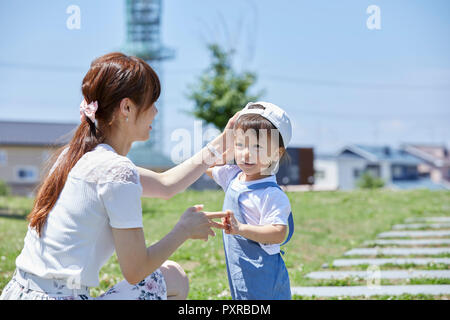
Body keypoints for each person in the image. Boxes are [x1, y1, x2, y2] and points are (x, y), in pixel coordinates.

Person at [0, 52, 238, 300]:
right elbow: (135, 271)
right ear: (126, 107)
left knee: (170, 275)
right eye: (151, 102)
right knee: (172, 277)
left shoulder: (76, 156)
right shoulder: (116, 171)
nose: (156, 111)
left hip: (17, 292)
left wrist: (222, 142)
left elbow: (167, 185)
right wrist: (183, 230)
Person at [206, 101, 295, 300]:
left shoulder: (270, 194)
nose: (246, 153)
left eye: (257, 146)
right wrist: (228, 139)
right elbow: (206, 164)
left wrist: (241, 229)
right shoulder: (233, 176)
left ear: (276, 153)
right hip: (240, 272)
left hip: (264, 275)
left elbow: (278, 233)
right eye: (241, 145)